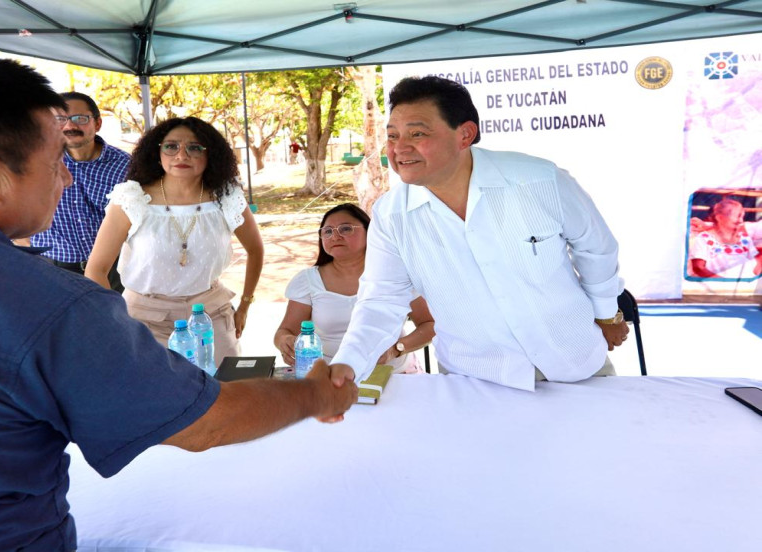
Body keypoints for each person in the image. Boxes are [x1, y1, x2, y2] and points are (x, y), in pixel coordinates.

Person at [0, 55, 357, 551]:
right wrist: (312, 391)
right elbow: (206, 423)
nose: (65, 179)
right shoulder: (51, 307)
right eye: (56, 160)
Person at [329, 75, 628, 392]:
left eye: (417, 133)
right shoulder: (391, 216)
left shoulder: (540, 180)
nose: (400, 148)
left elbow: (597, 249)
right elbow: (380, 302)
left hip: (575, 364)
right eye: (392, 136)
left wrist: (607, 314)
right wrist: (347, 363)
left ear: (465, 134)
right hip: (476, 380)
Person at [85, 117, 263, 364]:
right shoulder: (132, 199)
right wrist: (118, 323)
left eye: (194, 147)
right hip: (144, 320)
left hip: (211, 315)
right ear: (157, 153)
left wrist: (245, 304)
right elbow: (96, 269)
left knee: (225, 390)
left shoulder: (226, 197)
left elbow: (255, 250)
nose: (182, 155)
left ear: (210, 155)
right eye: (171, 146)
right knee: (157, 396)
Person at [274, 203, 435, 373]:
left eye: (345, 229)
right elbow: (286, 330)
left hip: (393, 373)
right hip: (330, 376)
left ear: (369, 231)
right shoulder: (308, 280)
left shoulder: (395, 274)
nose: (335, 236)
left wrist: (396, 349)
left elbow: (429, 324)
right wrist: (285, 341)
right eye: (327, 231)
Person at [29, 91, 129, 292]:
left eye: (80, 119)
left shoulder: (126, 166)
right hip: (53, 268)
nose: (70, 126)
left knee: (116, 320)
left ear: (97, 123)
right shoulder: (34, 161)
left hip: (114, 269)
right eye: (60, 119)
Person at [688, 198, 762, 278]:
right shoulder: (704, 239)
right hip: (719, 285)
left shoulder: (744, 239)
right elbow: (698, 268)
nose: (741, 221)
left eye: (742, 217)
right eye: (738, 216)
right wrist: (723, 281)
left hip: (744, 286)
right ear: (720, 217)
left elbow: (756, 265)